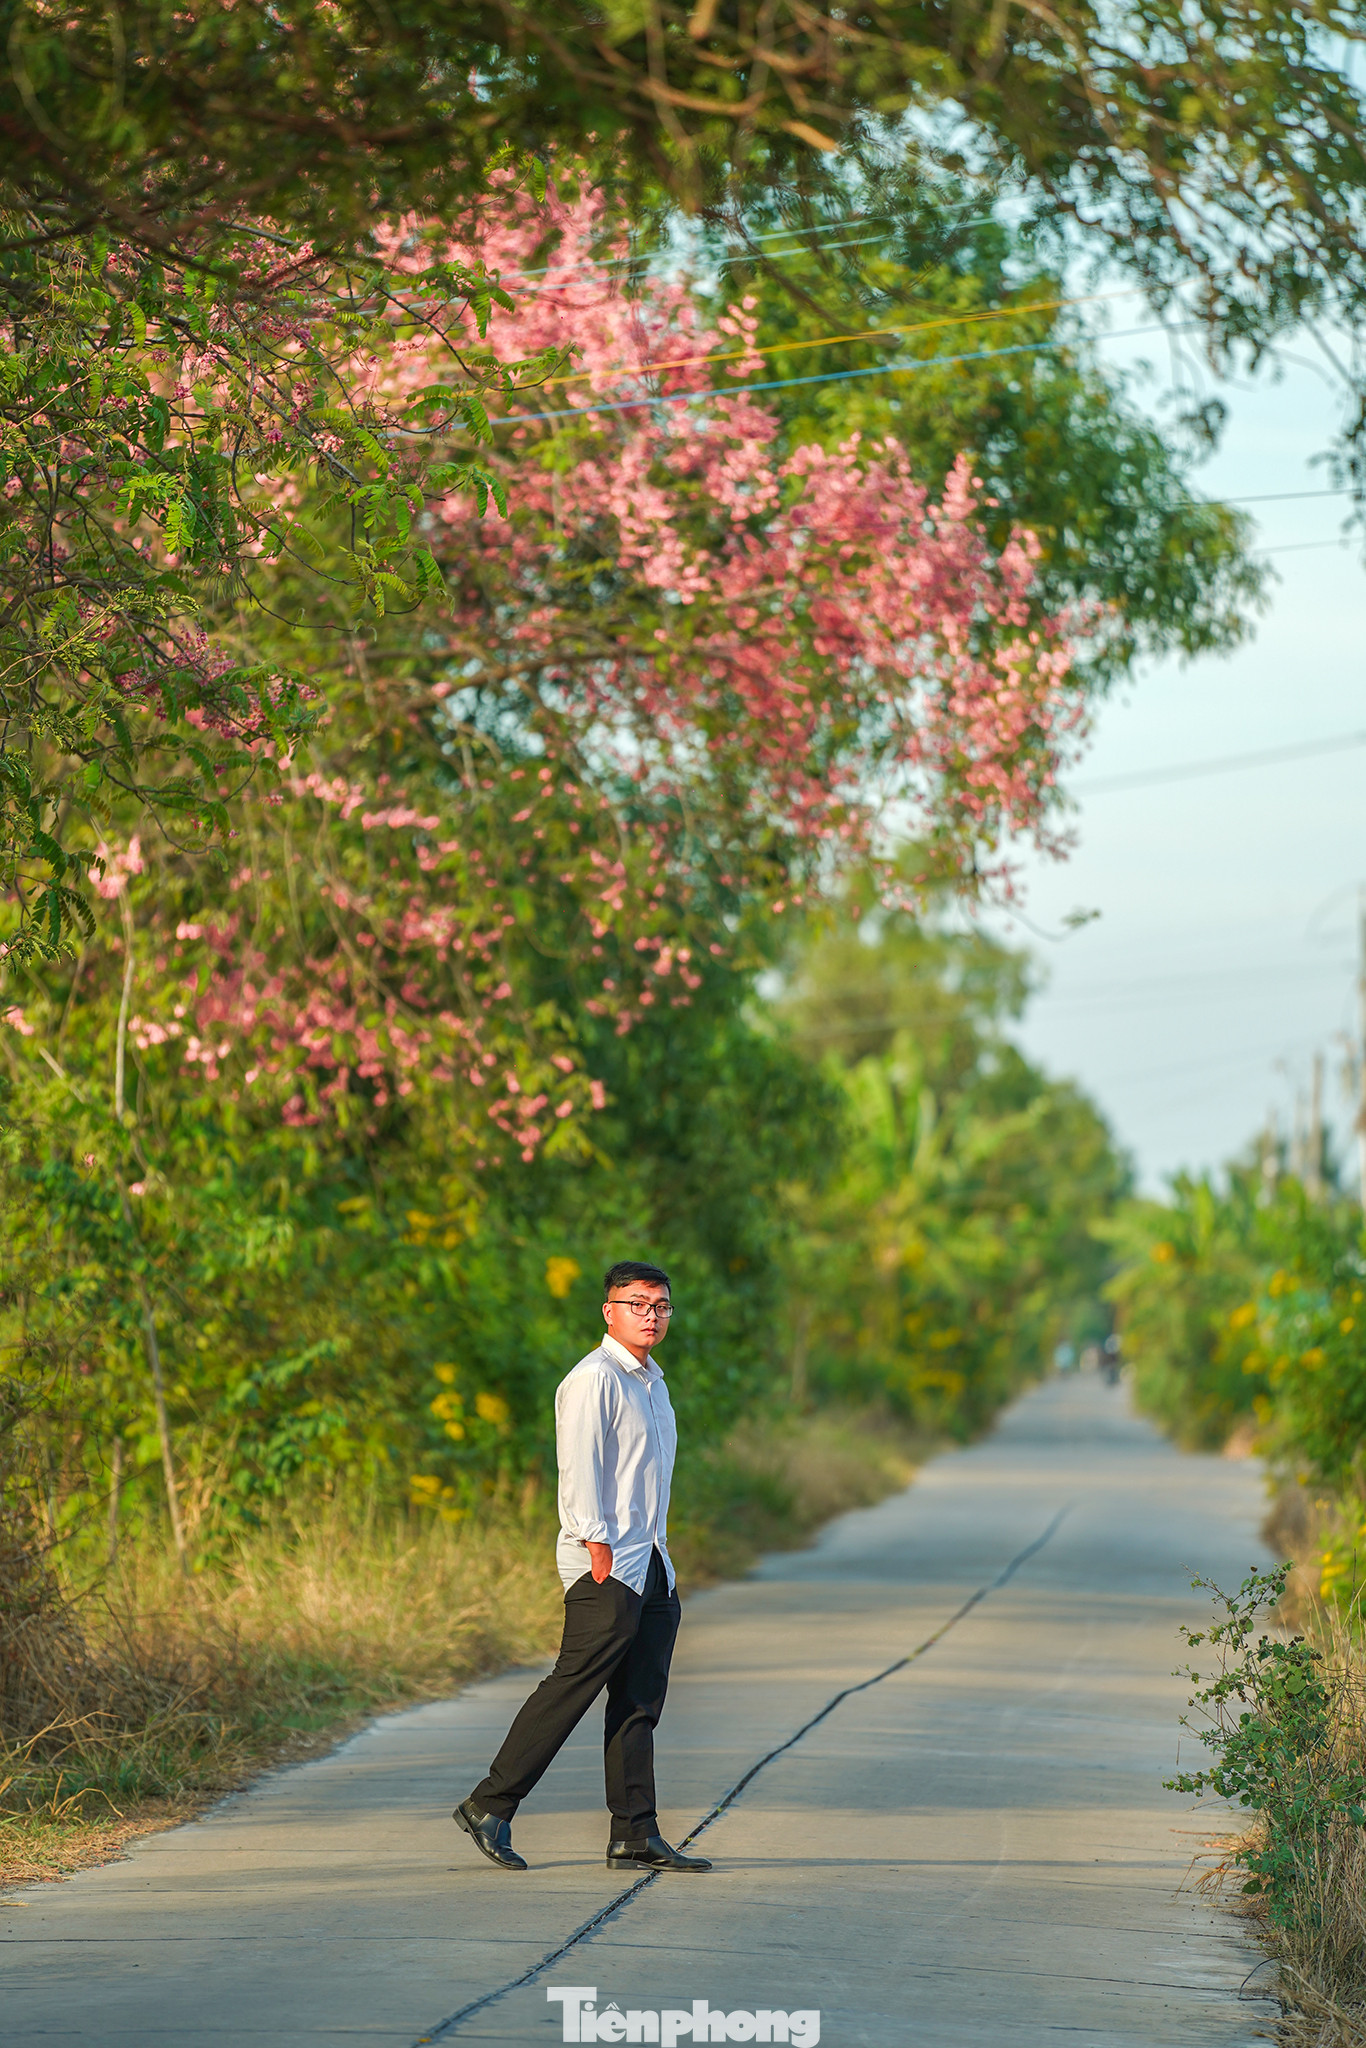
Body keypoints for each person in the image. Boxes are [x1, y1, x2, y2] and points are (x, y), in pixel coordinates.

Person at [453, 1260, 711, 1874]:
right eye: (638, 1303)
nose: (651, 1315)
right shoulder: (594, 1379)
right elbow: (579, 1470)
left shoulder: (653, 1383)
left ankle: (634, 1833)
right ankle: (489, 1804)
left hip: (650, 1561)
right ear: (609, 1311)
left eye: (661, 1306)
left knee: (638, 1700)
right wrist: (598, 1550)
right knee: (573, 1685)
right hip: (607, 1565)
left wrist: (658, 1561)